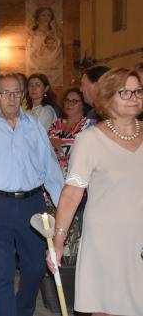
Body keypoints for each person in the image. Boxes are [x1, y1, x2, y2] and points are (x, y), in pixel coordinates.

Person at [0, 73, 64, 316]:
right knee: (1, 272)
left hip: (32, 203)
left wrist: (63, 210)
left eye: (17, 92)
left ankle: (23, 309)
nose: (12, 98)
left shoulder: (35, 127)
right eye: (5, 93)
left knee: (35, 267)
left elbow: (51, 171)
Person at [47, 68, 143, 316]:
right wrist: (59, 240)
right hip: (105, 239)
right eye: (125, 92)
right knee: (106, 304)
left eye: (138, 91)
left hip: (140, 237)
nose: (134, 97)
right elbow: (72, 193)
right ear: (108, 96)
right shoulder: (90, 140)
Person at [47, 87, 92, 175]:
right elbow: (43, 146)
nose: (69, 104)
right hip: (52, 176)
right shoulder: (58, 123)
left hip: (75, 176)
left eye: (74, 101)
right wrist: (59, 144)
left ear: (83, 104)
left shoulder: (86, 125)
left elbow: (71, 150)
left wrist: (53, 142)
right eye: (67, 101)